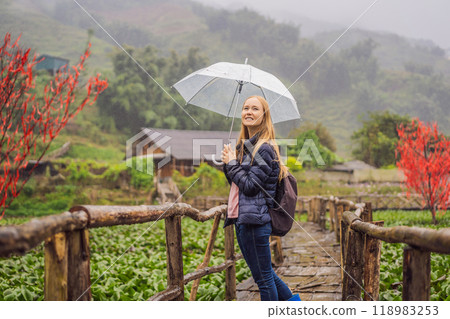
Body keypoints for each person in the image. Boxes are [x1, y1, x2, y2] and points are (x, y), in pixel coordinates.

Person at [221, 95, 300, 301]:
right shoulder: (245, 147)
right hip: (243, 219)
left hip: (255, 222)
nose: (248, 112)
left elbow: (249, 187)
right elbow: (237, 185)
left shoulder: (264, 149)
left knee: (264, 280)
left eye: (255, 109)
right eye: (245, 108)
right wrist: (228, 163)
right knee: (265, 276)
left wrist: (231, 164)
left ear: (264, 116)